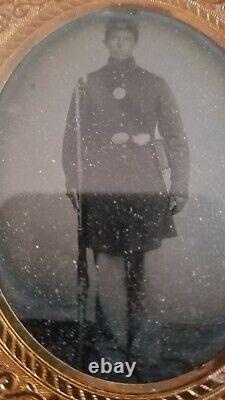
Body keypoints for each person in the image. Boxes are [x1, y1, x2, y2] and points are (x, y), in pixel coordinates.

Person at [62, 12, 189, 382]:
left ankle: (140, 343)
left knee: (143, 267)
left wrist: (179, 184)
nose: (119, 44)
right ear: (105, 41)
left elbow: (176, 138)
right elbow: (73, 139)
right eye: (114, 38)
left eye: (126, 38)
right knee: (106, 264)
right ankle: (111, 342)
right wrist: (73, 178)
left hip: (144, 183)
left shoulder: (155, 84)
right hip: (101, 185)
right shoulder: (86, 84)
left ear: (134, 43)